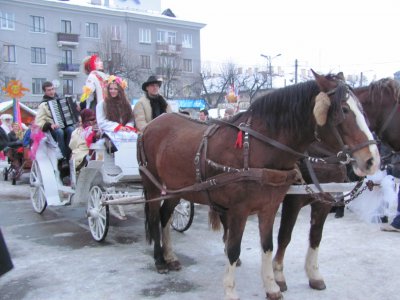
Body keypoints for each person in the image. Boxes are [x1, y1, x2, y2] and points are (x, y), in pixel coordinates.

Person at [34, 81, 74, 163]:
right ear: (45, 92)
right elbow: (38, 121)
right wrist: (49, 125)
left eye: (52, 89)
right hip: (53, 129)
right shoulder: (43, 104)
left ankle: (69, 154)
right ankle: (62, 158)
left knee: (71, 129)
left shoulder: (61, 100)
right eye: (49, 90)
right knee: (60, 132)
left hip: (64, 126)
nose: (52, 92)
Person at [96, 75, 137, 150]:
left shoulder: (126, 103)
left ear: (120, 90)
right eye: (110, 89)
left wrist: (128, 126)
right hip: (110, 131)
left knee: (134, 138)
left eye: (115, 89)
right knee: (119, 139)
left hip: (125, 131)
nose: (113, 91)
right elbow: (101, 122)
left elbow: (131, 118)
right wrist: (118, 127)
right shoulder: (102, 104)